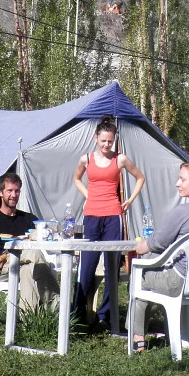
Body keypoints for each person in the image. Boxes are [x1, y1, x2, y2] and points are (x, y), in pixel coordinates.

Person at [129, 160, 189, 352]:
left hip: (179, 282)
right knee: (149, 265)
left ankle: (138, 338)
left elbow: (158, 242)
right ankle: (174, 332)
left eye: (182, 179)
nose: (177, 183)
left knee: (139, 274)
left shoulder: (183, 211)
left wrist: (140, 247)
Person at [73, 115, 145, 325]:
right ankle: (78, 314)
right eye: (103, 140)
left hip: (113, 216)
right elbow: (76, 178)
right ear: (96, 138)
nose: (106, 145)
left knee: (112, 266)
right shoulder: (86, 159)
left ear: (114, 140)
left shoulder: (120, 159)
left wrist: (129, 200)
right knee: (87, 265)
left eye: (110, 141)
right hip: (91, 216)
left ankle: (106, 315)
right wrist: (88, 195)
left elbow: (140, 177)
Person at [0, 173, 59, 321]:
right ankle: (57, 304)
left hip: (26, 263)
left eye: (17, 191)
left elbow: (43, 238)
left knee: (28, 270)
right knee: (34, 253)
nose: (13, 195)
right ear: (0, 192)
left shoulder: (29, 219)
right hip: (4, 265)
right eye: (9, 190)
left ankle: (27, 320)